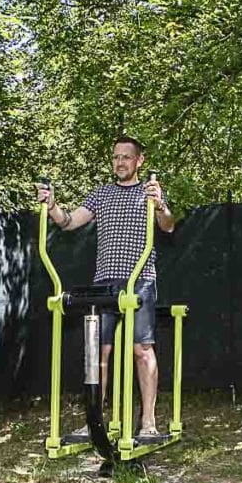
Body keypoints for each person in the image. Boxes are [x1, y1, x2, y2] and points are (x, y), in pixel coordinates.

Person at [36, 135, 176, 437]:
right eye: (115, 157)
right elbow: (70, 221)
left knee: (142, 350)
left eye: (126, 157)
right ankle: (94, 422)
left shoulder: (149, 193)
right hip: (106, 283)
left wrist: (161, 204)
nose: (120, 162)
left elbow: (168, 225)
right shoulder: (101, 194)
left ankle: (148, 423)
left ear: (139, 161)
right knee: (100, 351)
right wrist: (52, 205)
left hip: (140, 280)